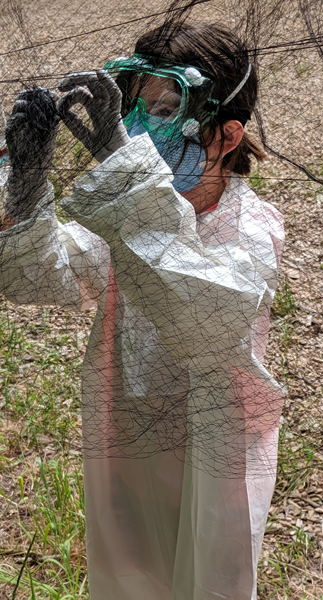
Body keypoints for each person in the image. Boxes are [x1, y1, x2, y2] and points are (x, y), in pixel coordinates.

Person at [0, 21, 285, 600]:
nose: (140, 131)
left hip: (215, 451)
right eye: (138, 107)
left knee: (208, 582)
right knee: (127, 576)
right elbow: (45, 275)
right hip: (125, 429)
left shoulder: (251, 226)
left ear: (226, 136)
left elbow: (205, 314)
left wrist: (121, 166)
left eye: (165, 110)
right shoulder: (129, 213)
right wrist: (25, 193)